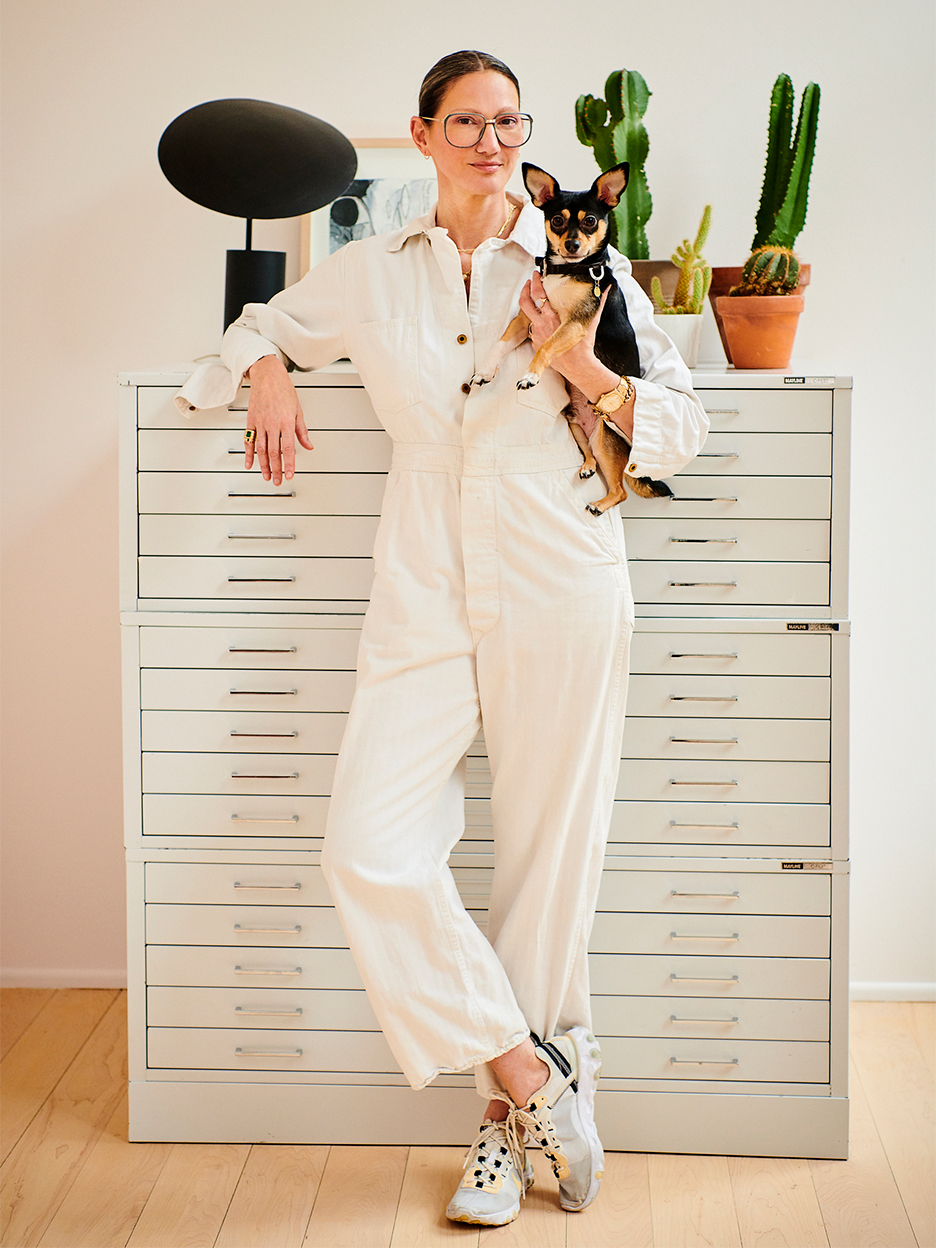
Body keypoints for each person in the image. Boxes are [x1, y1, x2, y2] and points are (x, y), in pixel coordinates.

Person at [177, 49, 709, 1228]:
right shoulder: (371, 271)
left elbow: (679, 425)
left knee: (546, 866)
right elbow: (258, 319)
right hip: (421, 572)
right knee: (368, 848)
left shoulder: (589, 262)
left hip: (559, 559)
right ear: (421, 136)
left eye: (508, 120)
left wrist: (578, 364)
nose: (491, 139)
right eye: (465, 121)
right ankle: (532, 1076)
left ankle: (498, 1136)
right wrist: (263, 364)